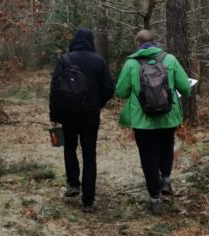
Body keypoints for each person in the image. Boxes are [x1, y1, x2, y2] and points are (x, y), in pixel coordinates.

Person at [115, 29, 191, 210]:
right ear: (155, 42)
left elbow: (121, 91)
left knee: (148, 156)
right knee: (166, 146)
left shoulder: (131, 63)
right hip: (168, 117)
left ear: (137, 43)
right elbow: (186, 89)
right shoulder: (170, 59)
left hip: (142, 121)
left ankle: (155, 198)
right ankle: (166, 179)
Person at [49, 27, 114, 212]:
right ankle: (88, 201)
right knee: (89, 154)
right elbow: (109, 88)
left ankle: (73, 185)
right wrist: (97, 103)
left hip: (67, 114)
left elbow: (54, 90)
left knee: (69, 148)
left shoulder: (64, 60)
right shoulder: (99, 61)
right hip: (90, 116)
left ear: (74, 40)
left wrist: (53, 116)